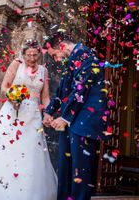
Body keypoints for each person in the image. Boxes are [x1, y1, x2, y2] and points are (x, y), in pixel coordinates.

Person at [0, 39, 58, 200]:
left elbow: (45, 96)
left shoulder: (43, 71)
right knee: (7, 152)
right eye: (29, 55)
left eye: (35, 55)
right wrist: (12, 98)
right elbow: (4, 86)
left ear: (39, 54)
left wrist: (49, 113)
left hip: (33, 117)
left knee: (32, 154)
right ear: (23, 53)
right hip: (12, 114)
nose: (32, 59)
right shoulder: (16, 64)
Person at [43, 35, 111, 200]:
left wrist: (65, 118)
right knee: (65, 166)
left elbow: (81, 89)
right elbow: (62, 90)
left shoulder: (86, 56)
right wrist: (49, 111)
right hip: (73, 120)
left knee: (80, 170)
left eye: (54, 54)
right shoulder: (72, 58)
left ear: (63, 45)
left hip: (85, 120)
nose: (56, 59)